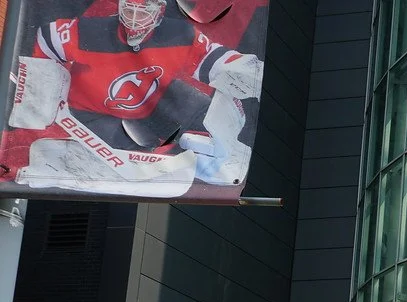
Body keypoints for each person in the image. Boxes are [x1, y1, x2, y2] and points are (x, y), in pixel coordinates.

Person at [6, 0, 265, 192]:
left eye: (142, 12)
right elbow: (47, 39)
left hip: (155, 100)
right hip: (94, 111)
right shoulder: (89, 32)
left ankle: (215, 162)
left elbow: (213, 59)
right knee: (130, 161)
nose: (133, 20)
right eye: (129, 10)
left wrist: (248, 72)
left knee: (206, 116)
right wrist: (43, 92)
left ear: (159, 12)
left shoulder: (180, 34)